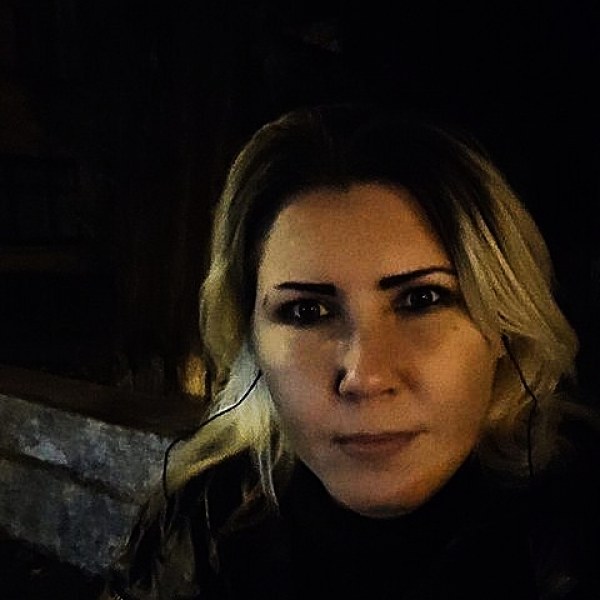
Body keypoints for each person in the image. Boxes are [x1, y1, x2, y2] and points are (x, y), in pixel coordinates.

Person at [101, 103, 600, 600]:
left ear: (505, 326)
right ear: (250, 338)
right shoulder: (194, 535)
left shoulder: (572, 535)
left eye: (421, 300)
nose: (364, 375)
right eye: (307, 311)